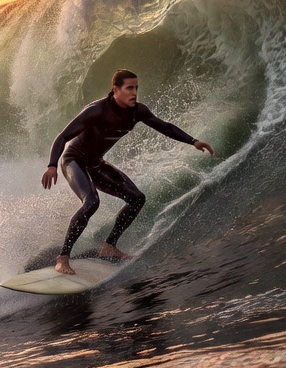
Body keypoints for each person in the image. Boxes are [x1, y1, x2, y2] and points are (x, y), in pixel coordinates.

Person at [41, 69, 214, 275]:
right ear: (115, 90)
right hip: (74, 160)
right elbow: (62, 136)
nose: (134, 93)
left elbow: (165, 127)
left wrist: (193, 141)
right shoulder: (96, 111)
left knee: (137, 199)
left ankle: (109, 246)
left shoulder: (137, 112)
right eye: (129, 88)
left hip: (95, 163)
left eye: (136, 88)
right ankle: (62, 258)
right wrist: (52, 165)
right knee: (91, 202)